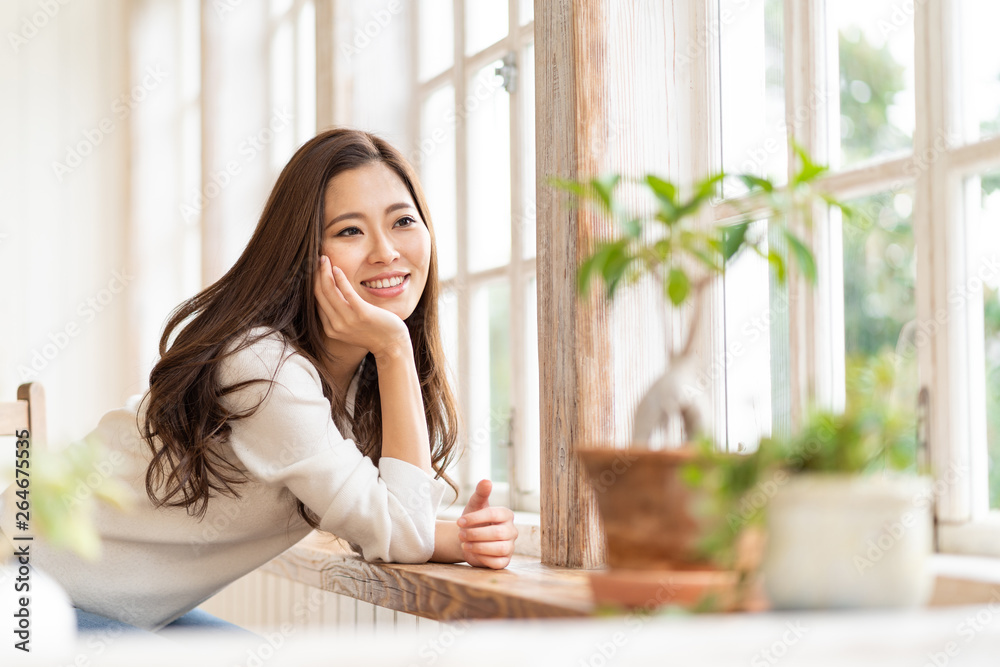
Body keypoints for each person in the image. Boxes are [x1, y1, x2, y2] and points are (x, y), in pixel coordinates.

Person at [3, 128, 517, 633]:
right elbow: (401, 530)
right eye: (349, 231)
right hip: (26, 593)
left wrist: (454, 540)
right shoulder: (262, 368)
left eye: (403, 220)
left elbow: (383, 521)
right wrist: (393, 347)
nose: (386, 251)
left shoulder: (356, 378)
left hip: (113, 610)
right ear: (301, 253)